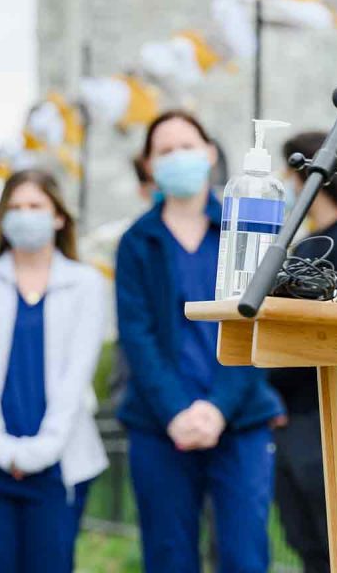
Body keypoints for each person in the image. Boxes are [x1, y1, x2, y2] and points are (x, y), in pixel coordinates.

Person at [115, 110, 284, 573]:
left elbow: (259, 322)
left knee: (245, 556)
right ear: (149, 165)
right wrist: (175, 411)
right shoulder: (137, 242)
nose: (177, 157)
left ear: (210, 153)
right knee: (169, 556)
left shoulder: (247, 225)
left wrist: (218, 408)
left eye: (186, 146)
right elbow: (137, 335)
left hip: (240, 417)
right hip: (160, 424)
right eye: (165, 150)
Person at [0, 169, 109, 573]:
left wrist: (43, 449)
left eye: (36, 206)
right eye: (15, 208)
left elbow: (77, 375)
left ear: (59, 217)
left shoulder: (86, 284)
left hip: (60, 463)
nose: (25, 215)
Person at [266, 130, 337, 573]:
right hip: (294, 415)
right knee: (305, 540)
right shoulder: (307, 247)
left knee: (332, 540)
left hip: (323, 415)